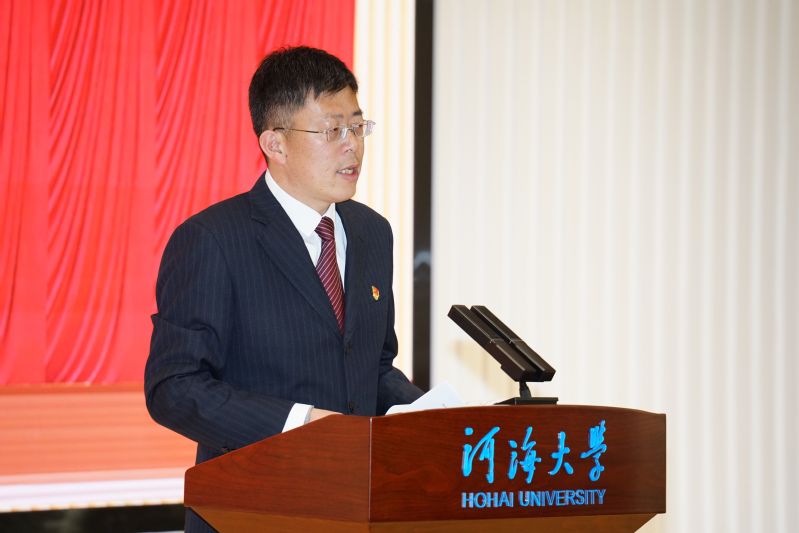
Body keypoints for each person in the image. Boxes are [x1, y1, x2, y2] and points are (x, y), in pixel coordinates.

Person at [144, 46, 424, 532]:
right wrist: (299, 423)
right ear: (275, 143)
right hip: (252, 509)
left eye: (358, 127)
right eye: (332, 130)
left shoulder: (372, 232)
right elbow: (175, 388)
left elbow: (372, 365)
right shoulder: (213, 239)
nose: (352, 146)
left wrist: (430, 417)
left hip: (357, 508)